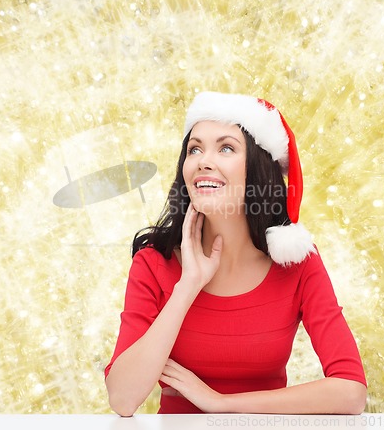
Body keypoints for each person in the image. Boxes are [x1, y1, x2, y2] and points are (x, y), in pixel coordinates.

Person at [104, 91, 367, 416]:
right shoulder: (153, 262)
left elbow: (350, 391)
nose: (203, 161)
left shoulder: (298, 264)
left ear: (258, 169)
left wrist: (221, 403)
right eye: (194, 148)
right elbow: (122, 398)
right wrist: (187, 286)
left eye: (226, 147)